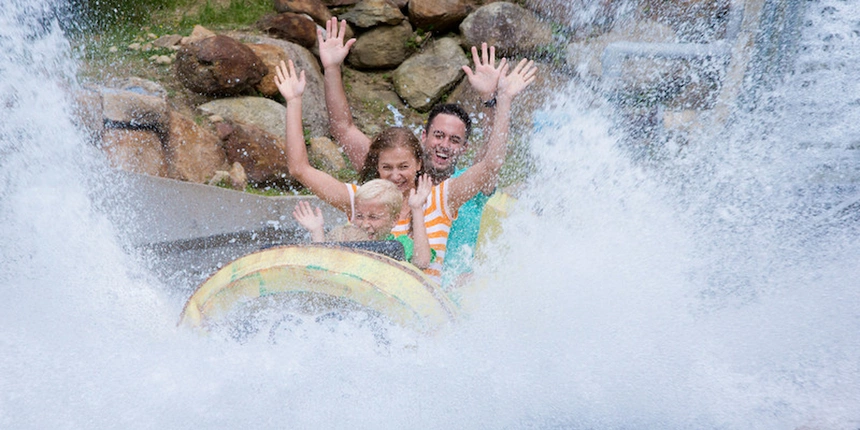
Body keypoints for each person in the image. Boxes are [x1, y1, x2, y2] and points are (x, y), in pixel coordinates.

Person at [274, 55, 535, 284]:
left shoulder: (440, 199)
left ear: (419, 164)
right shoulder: (361, 201)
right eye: (386, 167)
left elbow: (490, 165)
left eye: (404, 167)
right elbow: (300, 168)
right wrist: (294, 100)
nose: (395, 175)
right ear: (376, 166)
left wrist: (504, 101)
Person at [317, 17, 513, 286]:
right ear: (424, 137)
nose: (444, 144)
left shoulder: (462, 187)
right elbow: (343, 129)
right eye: (438, 135)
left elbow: (491, 160)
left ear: (464, 148)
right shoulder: (392, 172)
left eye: (455, 140)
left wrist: (492, 101)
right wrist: (331, 69)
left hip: (449, 293)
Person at [291, 177, 435, 268]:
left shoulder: (402, 245)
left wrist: (416, 209)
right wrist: (317, 231)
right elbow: (322, 266)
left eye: (373, 217)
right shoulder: (346, 239)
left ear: (394, 220)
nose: (365, 224)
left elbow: (422, 262)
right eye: (359, 216)